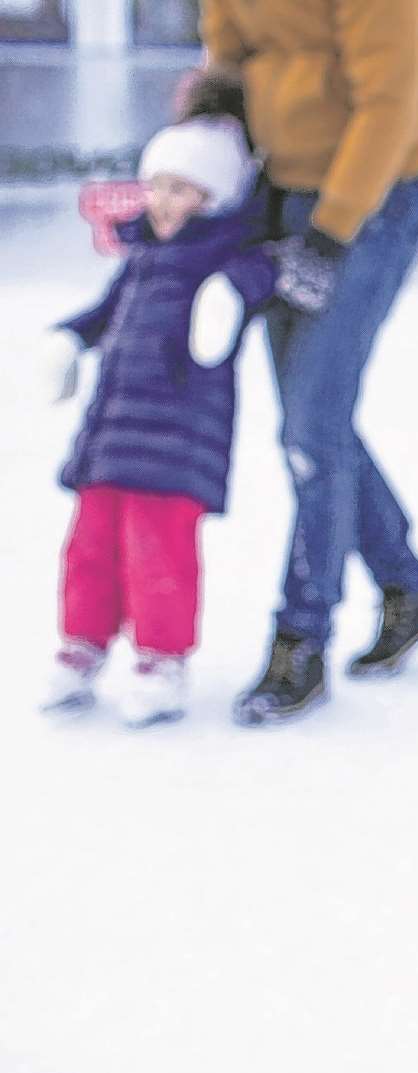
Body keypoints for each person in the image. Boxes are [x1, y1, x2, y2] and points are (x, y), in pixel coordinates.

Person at [198, 0, 418, 726]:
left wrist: (332, 228)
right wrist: (214, 118)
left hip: (368, 203)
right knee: (317, 424)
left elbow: (390, 101)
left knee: (312, 428)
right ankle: (409, 594)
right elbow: (230, 46)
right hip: (278, 191)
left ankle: (300, 640)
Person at [35, 80, 274, 727]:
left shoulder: (221, 256)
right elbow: (105, 312)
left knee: (157, 551)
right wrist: (69, 338)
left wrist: (230, 294)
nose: (162, 200)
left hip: (176, 437)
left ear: (214, 196)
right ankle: (81, 647)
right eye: (157, 185)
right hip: (112, 431)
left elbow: (263, 273)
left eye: (180, 188)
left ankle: (162, 662)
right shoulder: (144, 256)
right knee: (89, 545)